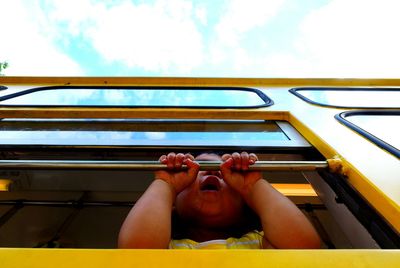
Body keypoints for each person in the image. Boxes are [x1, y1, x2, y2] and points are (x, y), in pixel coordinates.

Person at [118, 152, 321, 249]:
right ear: (172, 203)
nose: (212, 170)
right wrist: (166, 183)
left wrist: (253, 186)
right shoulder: (166, 247)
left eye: (226, 171)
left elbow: (304, 248)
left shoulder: (258, 242)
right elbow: (136, 251)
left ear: (245, 205)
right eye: (196, 169)